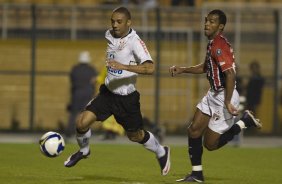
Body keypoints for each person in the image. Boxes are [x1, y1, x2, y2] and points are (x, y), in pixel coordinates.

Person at [64, 7, 170, 176]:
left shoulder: (135, 41)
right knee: (81, 123)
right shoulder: (110, 35)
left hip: (126, 99)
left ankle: (161, 151)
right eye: (112, 21)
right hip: (107, 94)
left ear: (129, 23)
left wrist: (124, 66)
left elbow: (150, 68)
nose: (114, 25)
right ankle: (84, 151)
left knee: (135, 136)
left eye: (119, 22)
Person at [169, 9, 262, 182]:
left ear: (220, 27)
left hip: (223, 96)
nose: (206, 24)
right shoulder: (212, 43)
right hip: (213, 93)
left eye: (211, 22)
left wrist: (227, 101)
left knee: (210, 144)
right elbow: (205, 67)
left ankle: (244, 122)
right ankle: (197, 174)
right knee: (194, 130)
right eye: (206, 20)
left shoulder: (219, 45)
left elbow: (231, 74)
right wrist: (183, 69)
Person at [66, 51, 98, 138]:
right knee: (87, 114)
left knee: (74, 113)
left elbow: (72, 82)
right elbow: (94, 82)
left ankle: (69, 132)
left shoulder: (75, 69)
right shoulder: (92, 70)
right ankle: (84, 132)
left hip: (77, 92)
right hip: (88, 93)